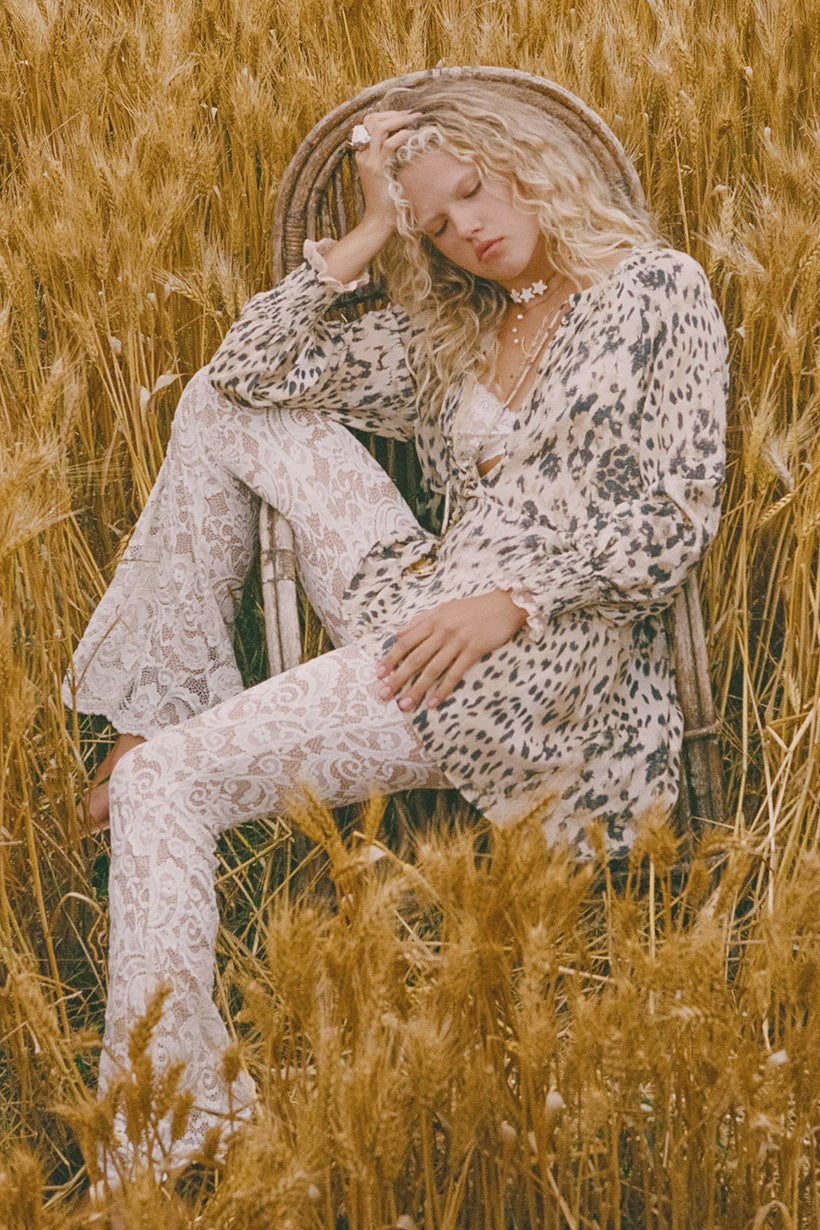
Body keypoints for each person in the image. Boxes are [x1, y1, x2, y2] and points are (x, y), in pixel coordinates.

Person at [61, 76, 728, 1173]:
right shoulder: (457, 331)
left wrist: (514, 600)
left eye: (473, 190)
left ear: (528, 164)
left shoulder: (655, 289)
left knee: (160, 787)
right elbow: (246, 373)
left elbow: (675, 513)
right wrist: (370, 229)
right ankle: (164, 712)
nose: (468, 229)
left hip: (531, 656)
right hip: (419, 601)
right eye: (437, 224)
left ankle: (158, 1143)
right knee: (216, 405)